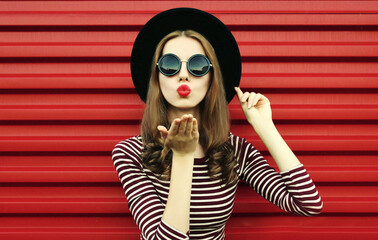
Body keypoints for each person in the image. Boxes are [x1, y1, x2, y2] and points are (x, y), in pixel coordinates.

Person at [112, 7, 323, 240]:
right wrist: (182, 156)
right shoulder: (130, 153)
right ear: (156, 77)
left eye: (198, 65)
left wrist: (265, 127)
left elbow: (307, 203)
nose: (183, 75)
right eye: (170, 65)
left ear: (212, 77)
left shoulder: (234, 151)